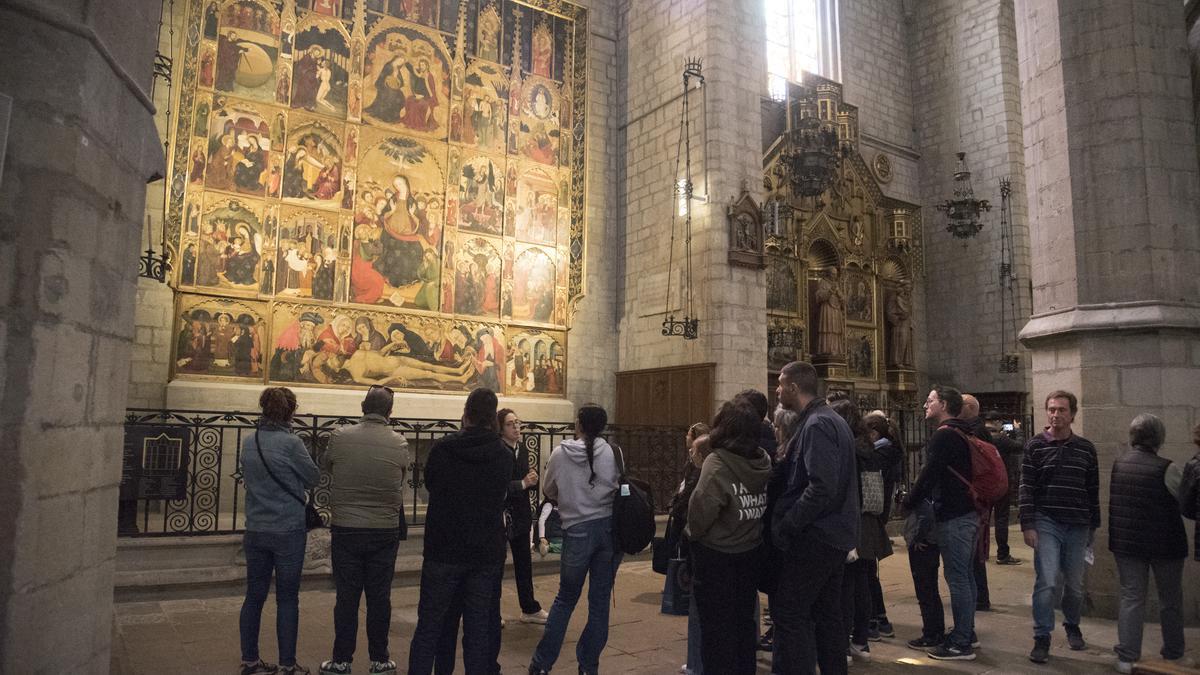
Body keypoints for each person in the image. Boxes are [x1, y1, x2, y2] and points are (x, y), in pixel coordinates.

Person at [407, 388, 511, 675]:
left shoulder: (443, 449)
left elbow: (431, 485)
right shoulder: (503, 454)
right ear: (493, 419)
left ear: (466, 415)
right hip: (484, 553)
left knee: (430, 627)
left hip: (444, 548)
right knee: (478, 631)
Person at [770, 361, 859, 675]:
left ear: (794, 387)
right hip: (834, 534)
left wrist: (788, 523)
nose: (777, 390)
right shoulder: (830, 419)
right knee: (827, 615)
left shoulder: (817, 424)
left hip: (817, 536)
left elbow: (821, 487)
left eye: (780, 384)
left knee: (789, 613)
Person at [319, 386, 410, 675]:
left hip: (346, 527)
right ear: (390, 412)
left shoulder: (339, 436)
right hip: (384, 529)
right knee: (379, 598)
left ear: (362, 407)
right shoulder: (399, 442)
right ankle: (379, 660)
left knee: (346, 597)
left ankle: (341, 660)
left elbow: (327, 466)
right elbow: (401, 476)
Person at [528, 404, 622, 675]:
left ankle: (542, 665)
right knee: (600, 603)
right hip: (608, 532)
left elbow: (548, 490)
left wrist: (572, 494)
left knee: (565, 599)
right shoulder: (613, 452)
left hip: (577, 529)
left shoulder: (561, 453)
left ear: (579, 424)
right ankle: (589, 666)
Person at [238, 387, 320, 675]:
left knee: (253, 596)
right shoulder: (291, 443)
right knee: (287, 599)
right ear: (291, 411)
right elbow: (313, 477)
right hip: (287, 528)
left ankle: (250, 661)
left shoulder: (250, 441)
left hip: (256, 527)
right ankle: (287, 664)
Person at [687, 401, 771, 675]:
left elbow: (701, 511)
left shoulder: (718, 462)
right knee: (744, 623)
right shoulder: (761, 460)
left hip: (717, 555)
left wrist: (692, 534)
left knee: (716, 631)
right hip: (751, 550)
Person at [1020, 390, 1100, 664]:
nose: (1055, 415)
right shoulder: (1035, 446)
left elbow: (1092, 489)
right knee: (1048, 580)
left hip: (1078, 523)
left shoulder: (1086, 449)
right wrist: (1028, 524)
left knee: (1075, 585)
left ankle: (1072, 624)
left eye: (1062, 410)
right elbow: (1026, 487)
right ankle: (1042, 636)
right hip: (1047, 521)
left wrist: (1093, 525)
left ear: (1073, 414)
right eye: (1052, 409)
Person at [1109, 413, 1188, 674]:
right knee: (1170, 599)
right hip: (1165, 544)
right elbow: (1185, 501)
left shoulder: (1119, 465)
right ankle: (1173, 652)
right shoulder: (1167, 468)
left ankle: (1126, 657)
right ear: (1159, 438)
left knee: (1131, 597)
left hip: (1127, 543)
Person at [903, 385, 978, 661]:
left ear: (944, 405)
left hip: (954, 516)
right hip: (967, 514)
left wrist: (909, 501)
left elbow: (929, 475)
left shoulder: (944, 435)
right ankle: (966, 632)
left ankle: (960, 643)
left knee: (957, 580)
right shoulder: (964, 431)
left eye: (930, 400)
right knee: (965, 577)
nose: (925, 405)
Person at [499, 408, 548, 624]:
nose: (516, 427)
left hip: (520, 512)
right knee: (496, 564)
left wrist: (532, 479)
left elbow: (526, 481)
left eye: (518, 423)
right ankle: (492, 611)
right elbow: (497, 485)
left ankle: (529, 608)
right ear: (501, 428)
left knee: (524, 563)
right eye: (510, 424)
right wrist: (522, 483)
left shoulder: (523, 449)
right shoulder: (498, 450)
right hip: (502, 513)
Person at [863, 413, 902, 640]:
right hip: (876, 516)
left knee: (866, 572)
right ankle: (879, 618)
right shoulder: (887, 451)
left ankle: (872, 622)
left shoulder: (879, 454)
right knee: (868, 571)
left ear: (874, 433)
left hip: (871, 517)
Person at [960, 394, 994, 612]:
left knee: (974, 551)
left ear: (970, 407)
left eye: (961, 404)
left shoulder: (976, 431)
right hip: (977, 497)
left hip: (975, 498)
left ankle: (980, 597)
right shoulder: (974, 429)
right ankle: (980, 596)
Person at [984, 412, 1023, 565]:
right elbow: (1019, 446)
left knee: (984, 518)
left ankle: (983, 551)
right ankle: (1003, 554)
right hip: (1001, 482)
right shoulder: (1001, 439)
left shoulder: (980, 436)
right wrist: (1018, 430)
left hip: (985, 482)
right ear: (997, 422)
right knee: (1001, 518)